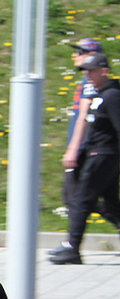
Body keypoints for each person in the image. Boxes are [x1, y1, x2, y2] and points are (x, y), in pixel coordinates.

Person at [49, 52, 120, 264]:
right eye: (86, 71)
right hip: (98, 154)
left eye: (91, 71)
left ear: (104, 71)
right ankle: (72, 247)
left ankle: (72, 248)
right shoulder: (101, 94)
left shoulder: (112, 96)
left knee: (82, 200)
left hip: (104, 155)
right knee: (110, 203)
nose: (88, 75)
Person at [61, 38, 106, 212]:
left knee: (74, 199)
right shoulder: (87, 82)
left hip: (84, 148)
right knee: (76, 198)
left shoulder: (91, 84)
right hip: (83, 147)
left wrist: (74, 147)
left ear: (92, 55)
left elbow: (84, 117)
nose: (75, 55)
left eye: (80, 52)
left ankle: (73, 239)